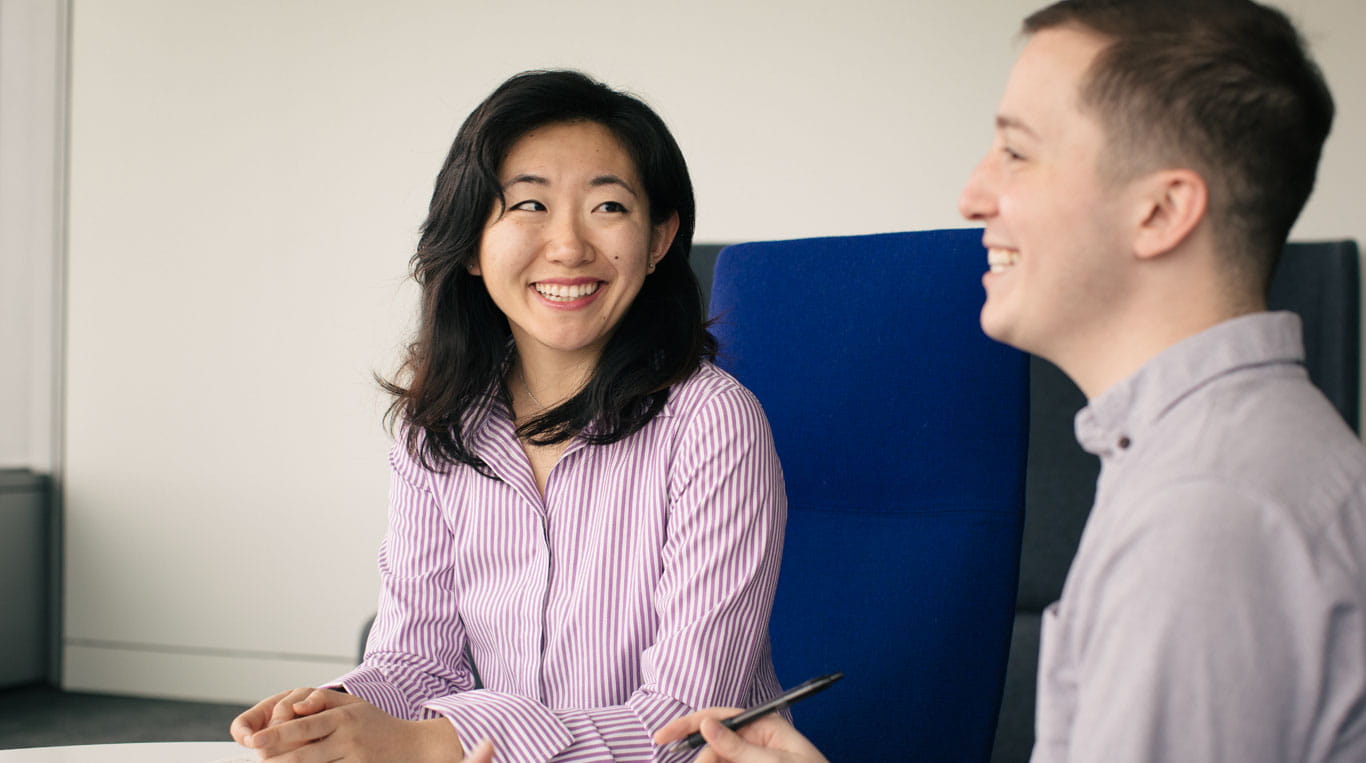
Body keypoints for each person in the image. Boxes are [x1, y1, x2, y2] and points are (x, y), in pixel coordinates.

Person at [657, 0, 1366, 760]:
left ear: (1160, 210)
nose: (973, 196)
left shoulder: (1206, 518)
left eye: (1018, 154)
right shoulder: (1223, 457)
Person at [230, 69, 787, 762]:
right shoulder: (438, 426)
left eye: (608, 207)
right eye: (528, 205)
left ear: (659, 239)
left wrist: (442, 740)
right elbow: (415, 660)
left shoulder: (713, 423)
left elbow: (683, 722)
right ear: (469, 244)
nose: (569, 246)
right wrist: (335, 710)